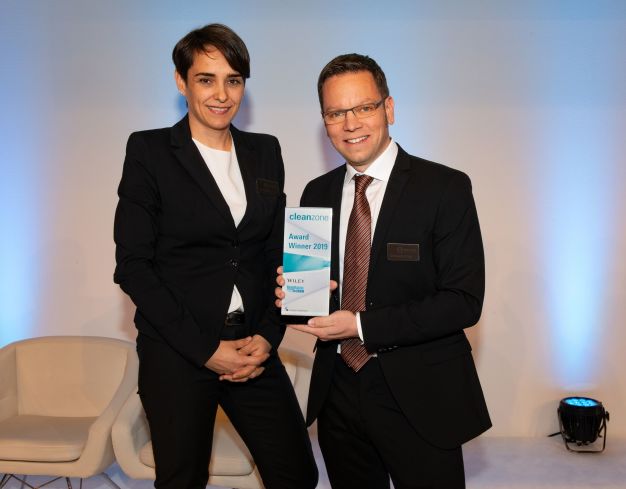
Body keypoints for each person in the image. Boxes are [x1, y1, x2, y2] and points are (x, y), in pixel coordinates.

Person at [114, 24, 317, 489]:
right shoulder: (148, 151)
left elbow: (273, 252)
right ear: (181, 82)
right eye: (206, 79)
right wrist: (206, 351)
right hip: (178, 350)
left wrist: (268, 334)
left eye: (234, 79)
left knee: (297, 474)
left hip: (251, 346)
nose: (222, 94)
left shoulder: (265, 151)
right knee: (182, 479)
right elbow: (134, 267)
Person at [276, 54, 491, 488]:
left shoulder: (445, 188)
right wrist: (293, 294)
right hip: (337, 390)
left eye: (364, 108)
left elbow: (463, 301)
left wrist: (358, 324)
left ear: (388, 109)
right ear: (325, 121)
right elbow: (320, 289)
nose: (350, 123)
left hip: (420, 392)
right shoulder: (315, 192)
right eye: (336, 113)